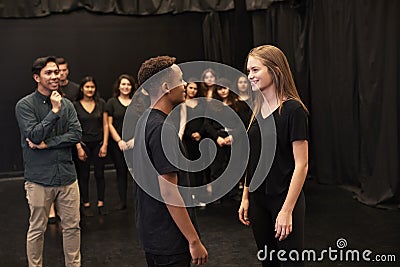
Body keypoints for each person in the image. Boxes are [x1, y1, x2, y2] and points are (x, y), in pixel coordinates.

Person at [133, 56, 208, 266]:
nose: (184, 84)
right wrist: (193, 240)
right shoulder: (161, 128)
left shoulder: (144, 121)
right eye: (180, 79)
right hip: (169, 239)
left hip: (153, 234)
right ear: (166, 86)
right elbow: (168, 191)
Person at [238, 45, 309, 267]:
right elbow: (253, 159)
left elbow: (302, 165)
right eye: (248, 71)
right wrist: (246, 197)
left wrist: (286, 210)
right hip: (259, 200)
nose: (250, 76)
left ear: (275, 71)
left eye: (255, 70)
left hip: (284, 198)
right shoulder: (257, 110)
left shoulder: (293, 110)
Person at [15, 56, 82, 267]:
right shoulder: (24, 105)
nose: (55, 76)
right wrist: (53, 112)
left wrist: (48, 144)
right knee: (37, 228)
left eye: (56, 72)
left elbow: (76, 134)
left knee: (72, 227)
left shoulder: (68, 104)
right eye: (49, 73)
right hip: (39, 179)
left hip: (67, 177)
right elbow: (34, 136)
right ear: (37, 77)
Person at [74, 76, 109, 216]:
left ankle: (101, 203)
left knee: (100, 174)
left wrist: (105, 144)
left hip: (99, 143)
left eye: (92, 87)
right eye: (87, 87)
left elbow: (105, 124)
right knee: (84, 175)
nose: (90, 90)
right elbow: (72, 127)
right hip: (83, 144)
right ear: (82, 88)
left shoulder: (101, 103)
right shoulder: (75, 105)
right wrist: (78, 147)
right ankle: (86, 203)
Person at [106, 74, 136, 210]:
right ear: (118, 86)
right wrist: (119, 141)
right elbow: (109, 124)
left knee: (137, 174)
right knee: (121, 172)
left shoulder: (137, 102)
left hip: (134, 143)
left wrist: (135, 139)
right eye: (123, 84)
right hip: (118, 144)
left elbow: (141, 122)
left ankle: (139, 200)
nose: (126, 87)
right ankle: (122, 201)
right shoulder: (111, 102)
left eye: (128, 84)